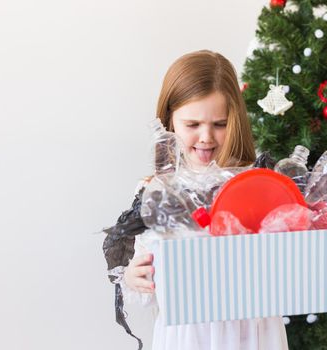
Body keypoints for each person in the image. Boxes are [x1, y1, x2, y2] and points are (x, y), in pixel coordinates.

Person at [104, 50, 288, 350]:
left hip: (252, 333)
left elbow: (284, 263)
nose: (206, 137)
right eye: (192, 125)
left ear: (236, 121)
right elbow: (147, 276)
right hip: (188, 337)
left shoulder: (256, 182)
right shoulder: (155, 191)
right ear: (169, 122)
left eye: (220, 123)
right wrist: (136, 278)